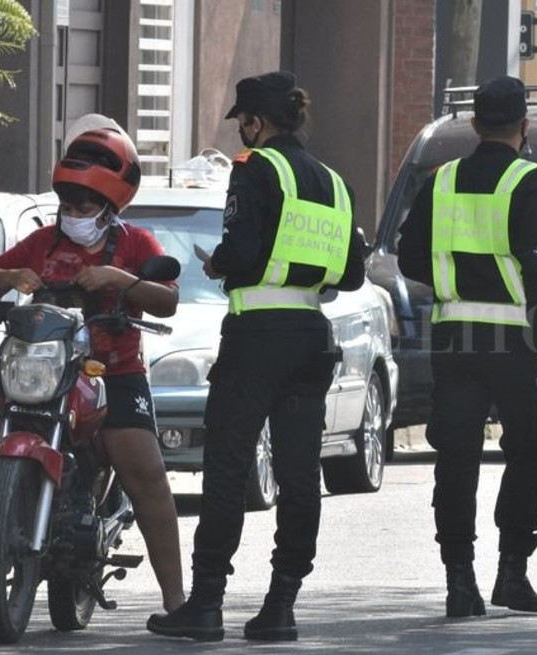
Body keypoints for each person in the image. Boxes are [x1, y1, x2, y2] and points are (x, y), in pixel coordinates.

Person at [0, 128, 185, 634]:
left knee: (147, 471)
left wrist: (120, 280)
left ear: (109, 207)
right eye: (67, 203)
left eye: (84, 205)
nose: (73, 213)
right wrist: (9, 278)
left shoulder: (136, 243)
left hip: (112, 370)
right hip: (32, 368)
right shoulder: (43, 240)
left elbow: (168, 299)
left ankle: (178, 601)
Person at [146, 71, 367, 643]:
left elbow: (241, 250)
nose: (239, 133)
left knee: (226, 469)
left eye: (241, 122)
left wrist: (218, 263)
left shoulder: (254, 168)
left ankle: (206, 604)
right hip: (311, 336)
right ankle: (281, 605)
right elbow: (351, 274)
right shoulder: (335, 182)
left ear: (256, 121)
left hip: (256, 337)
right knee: (299, 477)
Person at [397, 75, 537, 618]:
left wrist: (456, 281)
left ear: (474, 124)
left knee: (457, 457)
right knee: (527, 452)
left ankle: (459, 581)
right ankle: (512, 573)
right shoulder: (532, 182)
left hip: (455, 337)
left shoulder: (441, 180)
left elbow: (410, 258)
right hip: (516, 340)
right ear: (524, 126)